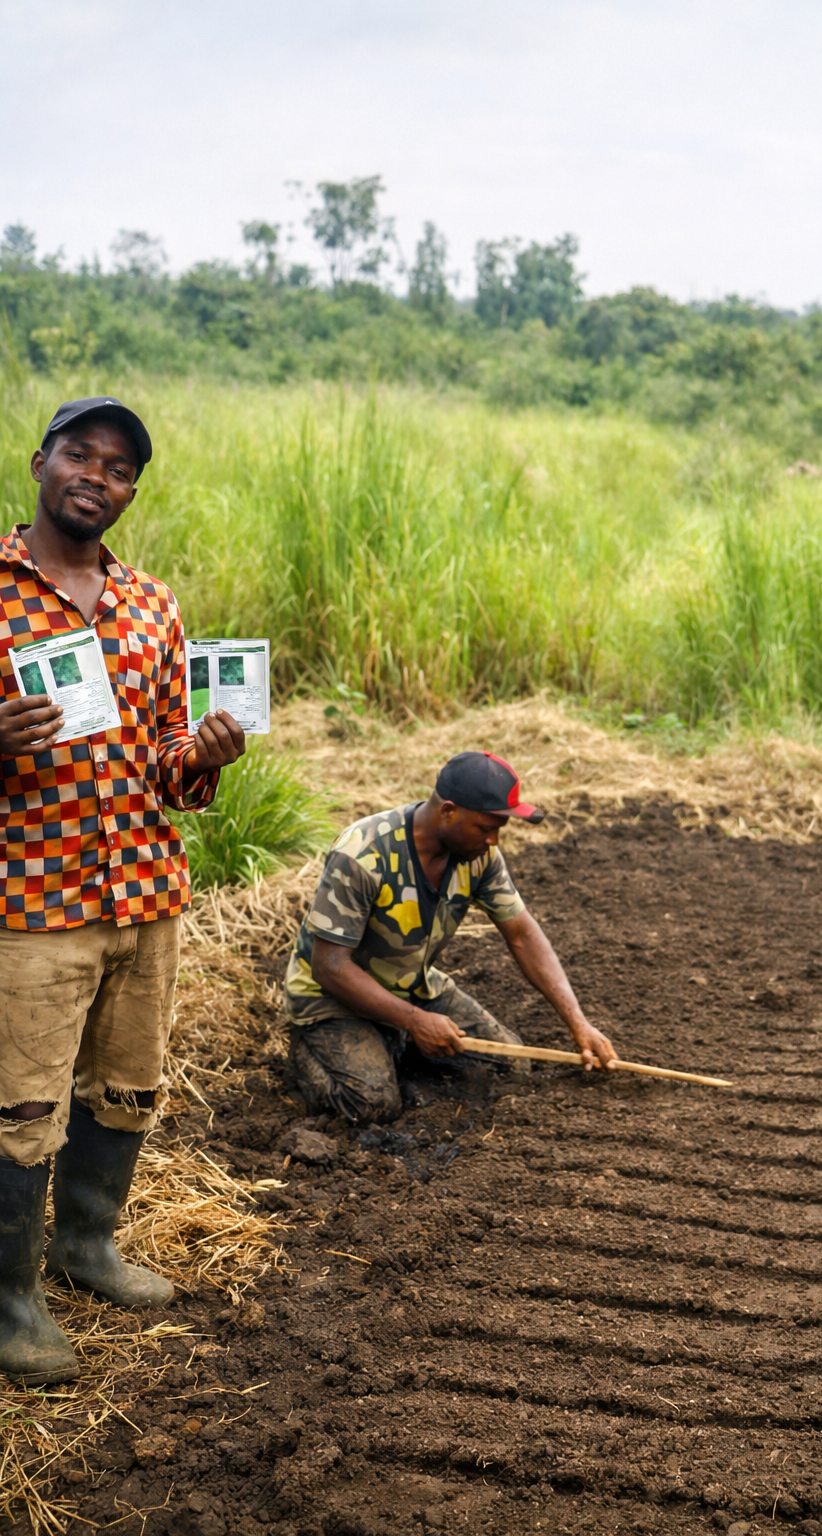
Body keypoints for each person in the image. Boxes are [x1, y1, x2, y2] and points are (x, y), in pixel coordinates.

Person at [0, 397, 246, 1386]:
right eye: (79, 455)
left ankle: (86, 1247)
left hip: (143, 890)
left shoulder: (151, 603)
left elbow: (170, 759)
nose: (96, 476)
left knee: (127, 1083)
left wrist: (209, 753)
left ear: (131, 490)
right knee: (20, 1108)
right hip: (33, 896)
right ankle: (11, 1300)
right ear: (39, 462)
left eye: (117, 467)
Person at [285, 750, 617, 1122]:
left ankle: (394, 1045)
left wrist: (578, 1022)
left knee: (510, 1066)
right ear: (448, 811)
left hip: (411, 987)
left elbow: (522, 934)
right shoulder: (362, 853)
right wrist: (414, 1021)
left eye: (499, 830)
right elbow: (329, 967)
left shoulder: (478, 856)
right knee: (373, 1104)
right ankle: (309, 1054)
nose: (493, 840)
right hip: (331, 1001)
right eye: (485, 827)